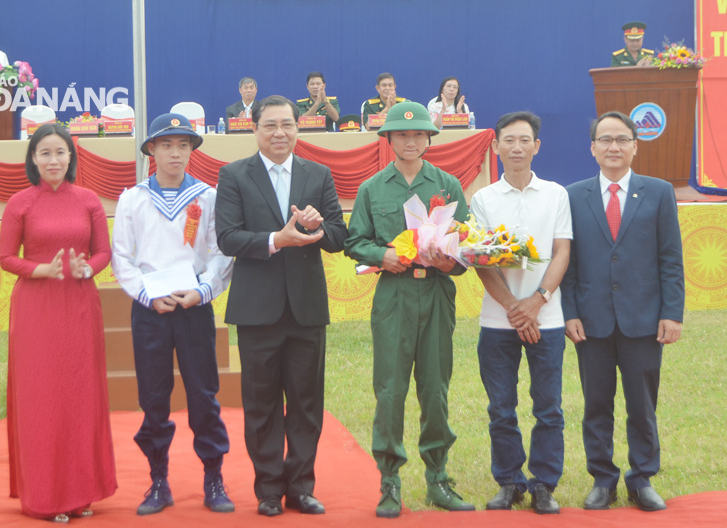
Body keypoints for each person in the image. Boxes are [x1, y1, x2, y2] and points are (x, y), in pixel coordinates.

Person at [215, 95, 348, 517]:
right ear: (253, 128)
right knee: (262, 402)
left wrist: (316, 226)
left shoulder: (318, 174)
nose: (279, 133)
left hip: (306, 309)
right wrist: (277, 240)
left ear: (298, 127)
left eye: (287, 125)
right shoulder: (235, 175)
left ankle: (301, 486)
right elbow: (228, 238)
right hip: (257, 311)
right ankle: (269, 489)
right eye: (270, 125)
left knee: (307, 402)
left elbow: (338, 239)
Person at [344, 101, 474, 518]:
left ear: (429, 138)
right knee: (390, 389)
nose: (411, 141)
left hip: (435, 293)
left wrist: (448, 260)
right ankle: (389, 481)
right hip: (394, 295)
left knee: (435, 388)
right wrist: (381, 254)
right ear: (389, 139)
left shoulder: (448, 185)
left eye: (418, 134)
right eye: (402, 135)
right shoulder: (372, 189)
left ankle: (437, 477)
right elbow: (354, 242)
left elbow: (466, 249)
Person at [111, 113, 235, 516]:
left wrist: (204, 290)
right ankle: (158, 479)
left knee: (203, 394)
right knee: (153, 396)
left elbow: (220, 251)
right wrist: (146, 295)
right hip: (151, 309)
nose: (176, 153)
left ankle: (213, 476)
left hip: (193, 307)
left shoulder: (207, 196)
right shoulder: (133, 198)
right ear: (151, 150)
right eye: (167, 145)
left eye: (184, 145)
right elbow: (122, 258)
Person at [561, 111, 684, 512]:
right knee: (596, 403)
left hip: (645, 318)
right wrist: (570, 311)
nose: (614, 147)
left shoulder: (660, 192)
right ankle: (602, 479)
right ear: (592, 147)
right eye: (605, 140)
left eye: (622, 139)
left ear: (635, 145)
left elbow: (670, 259)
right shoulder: (573, 195)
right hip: (591, 320)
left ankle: (642, 477)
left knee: (642, 404)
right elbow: (568, 260)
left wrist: (672, 313)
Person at [0, 123, 116, 523]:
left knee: (80, 395)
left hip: (80, 305)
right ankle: (45, 496)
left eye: (60, 152)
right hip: (36, 309)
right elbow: (6, 258)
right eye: (45, 153)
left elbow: (103, 252)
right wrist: (39, 270)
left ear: (71, 157)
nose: (53, 160)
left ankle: (82, 491)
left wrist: (87, 268)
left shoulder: (88, 200)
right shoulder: (20, 203)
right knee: (42, 398)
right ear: (33, 158)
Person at [470, 112, 572, 515]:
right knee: (501, 407)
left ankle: (544, 483)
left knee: (548, 406)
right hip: (498, 321)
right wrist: (515, 308)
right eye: (508, 140)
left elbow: (562, 250)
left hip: (546, 318)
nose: (516, 147)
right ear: (495, 147)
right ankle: (509, 481)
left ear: (537, 146)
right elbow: (480, 261)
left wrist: (537, 301)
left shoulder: (555, 194)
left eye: (524, 140)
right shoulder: (483, 199)